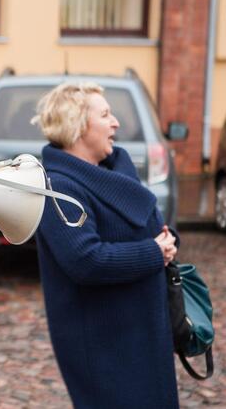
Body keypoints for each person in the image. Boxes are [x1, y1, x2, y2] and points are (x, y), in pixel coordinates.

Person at [30, 82, 179, 409]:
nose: (116, 124)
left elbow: (147, 223)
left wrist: (167, 241)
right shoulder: (58, 187)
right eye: (106, 115)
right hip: (103, 343)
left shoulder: (114, 170)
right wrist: (155, 251)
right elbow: (86, 260)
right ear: (79, 125)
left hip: (142, 332)